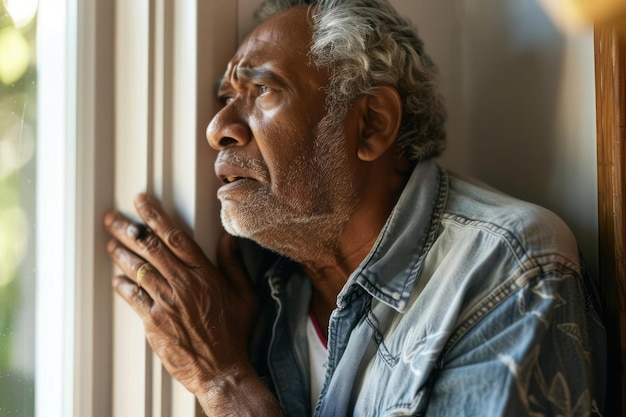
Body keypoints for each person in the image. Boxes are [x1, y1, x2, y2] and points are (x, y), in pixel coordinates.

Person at [104, 0, 607, 415]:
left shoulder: (505, 268)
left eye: (262, 90)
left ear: (370, 125)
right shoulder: (257, 291)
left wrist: (227, 381)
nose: (218, 129)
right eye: (225, 97)